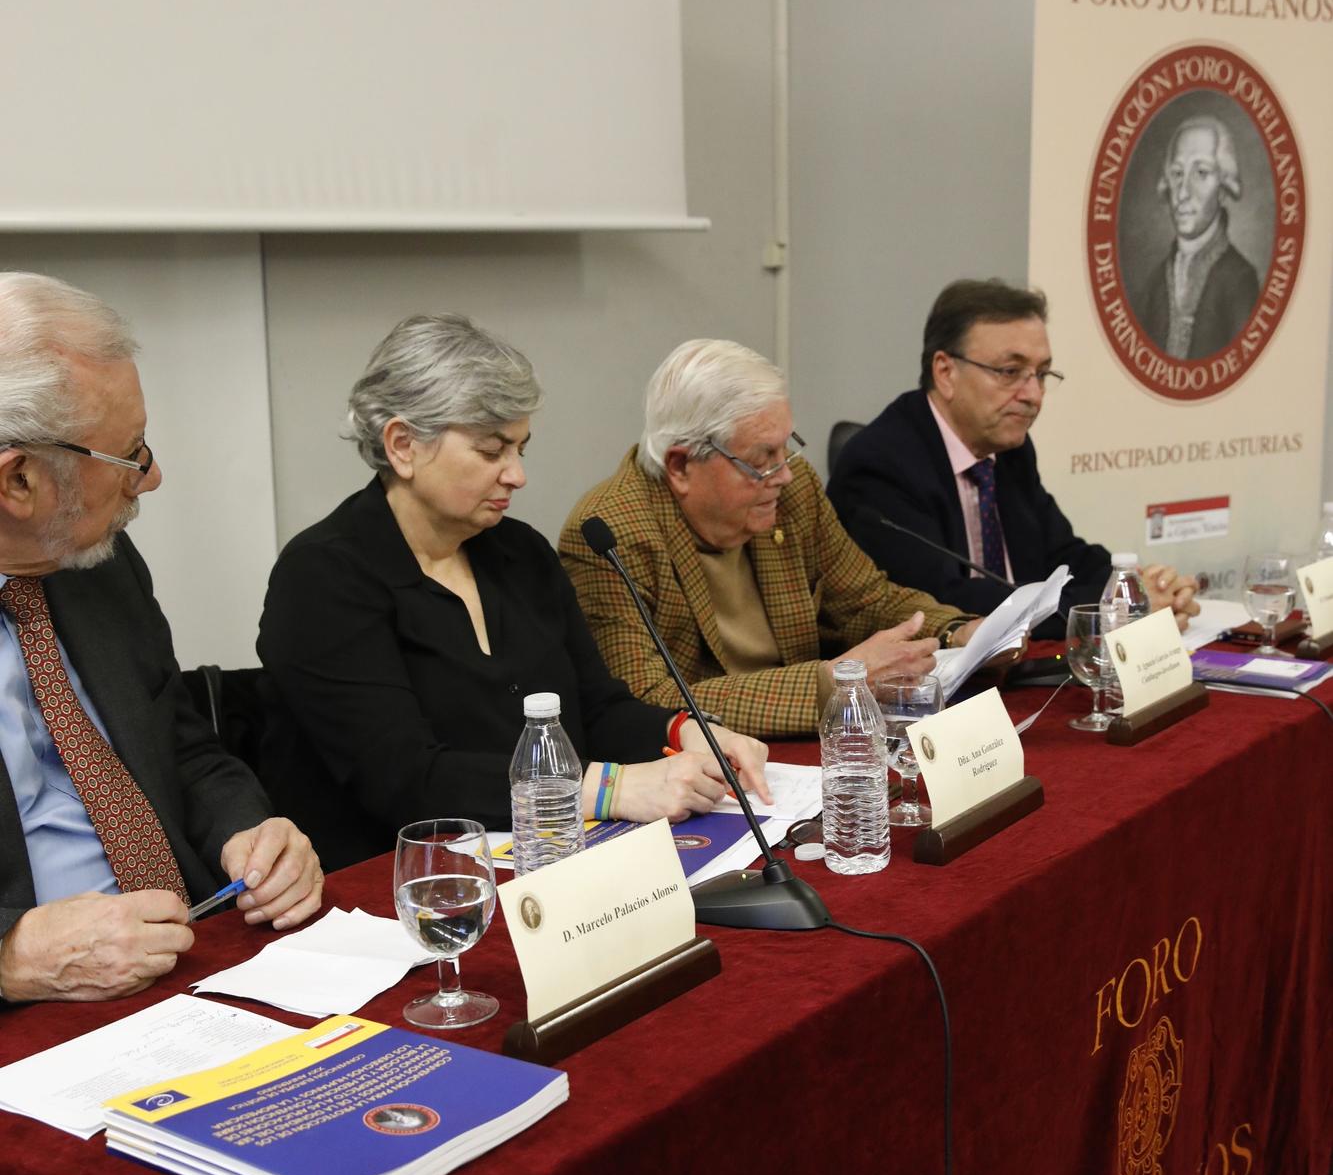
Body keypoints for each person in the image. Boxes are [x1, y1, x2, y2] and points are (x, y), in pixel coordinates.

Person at [257, 316, 769, 870]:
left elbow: (594, 709)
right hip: (399, 887)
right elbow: (405, 781)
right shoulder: (322, 577)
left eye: (521, 448)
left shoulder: (519, 552)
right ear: (402, 445)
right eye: (491, 451)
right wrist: (609, 790)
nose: (517, 475)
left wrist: (689, 731)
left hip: (542, 858)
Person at [0, 272, 322, 1004]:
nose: (152, 479)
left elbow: (181, 745)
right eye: (129, 455)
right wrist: (12, 959)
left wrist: (251, 831)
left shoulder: (94, 565)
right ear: (17, 482)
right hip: (34, 1020)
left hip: (194, 958)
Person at [558, 339, 976, 739]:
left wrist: (960, 632)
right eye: (762, 460)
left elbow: (866, 601)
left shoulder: (793, 493)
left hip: (815, 747)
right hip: (710, 768)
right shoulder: (609, 535)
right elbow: (646, 701)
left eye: (786, 448)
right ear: (681, 465)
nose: (785, 474)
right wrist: (830, 684)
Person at [827, 279, 1199, 635]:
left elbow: (1064, 556)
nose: (1033, 395)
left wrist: (1137, 587)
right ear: (945, 372)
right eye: (1010, 372)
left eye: (1041, 373)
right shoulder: (882, 464)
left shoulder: (1009, 450)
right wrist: (1114, 607)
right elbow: (944, 603)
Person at [1126, 116, 1260, 359]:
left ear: (1223, 189)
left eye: (1201, 172)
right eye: (1177, 174)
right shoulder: (1155, 284)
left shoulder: (1240, 282)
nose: (1183, 192)